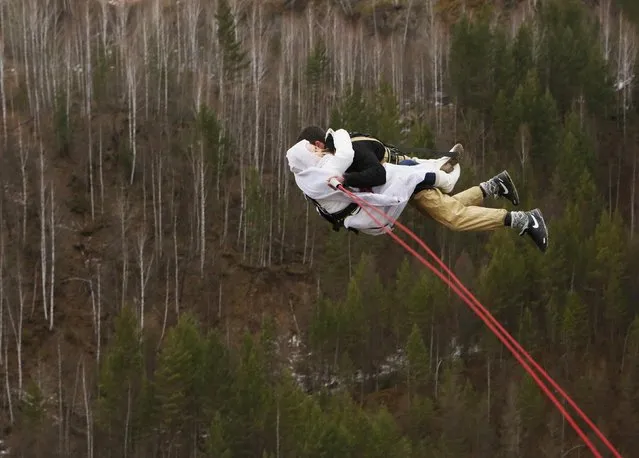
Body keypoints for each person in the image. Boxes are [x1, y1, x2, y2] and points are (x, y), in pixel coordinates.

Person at [288, 126, 549, 252]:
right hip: (403, 184)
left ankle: (524, 220)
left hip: (409, 180)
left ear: (319, 143)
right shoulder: (335, 157)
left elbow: (378, 174)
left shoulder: (350, 151)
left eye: (311, 150)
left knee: (453, 217)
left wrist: (346, 179)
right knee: (450, 209)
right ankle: (495, 185)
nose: (312, 157)